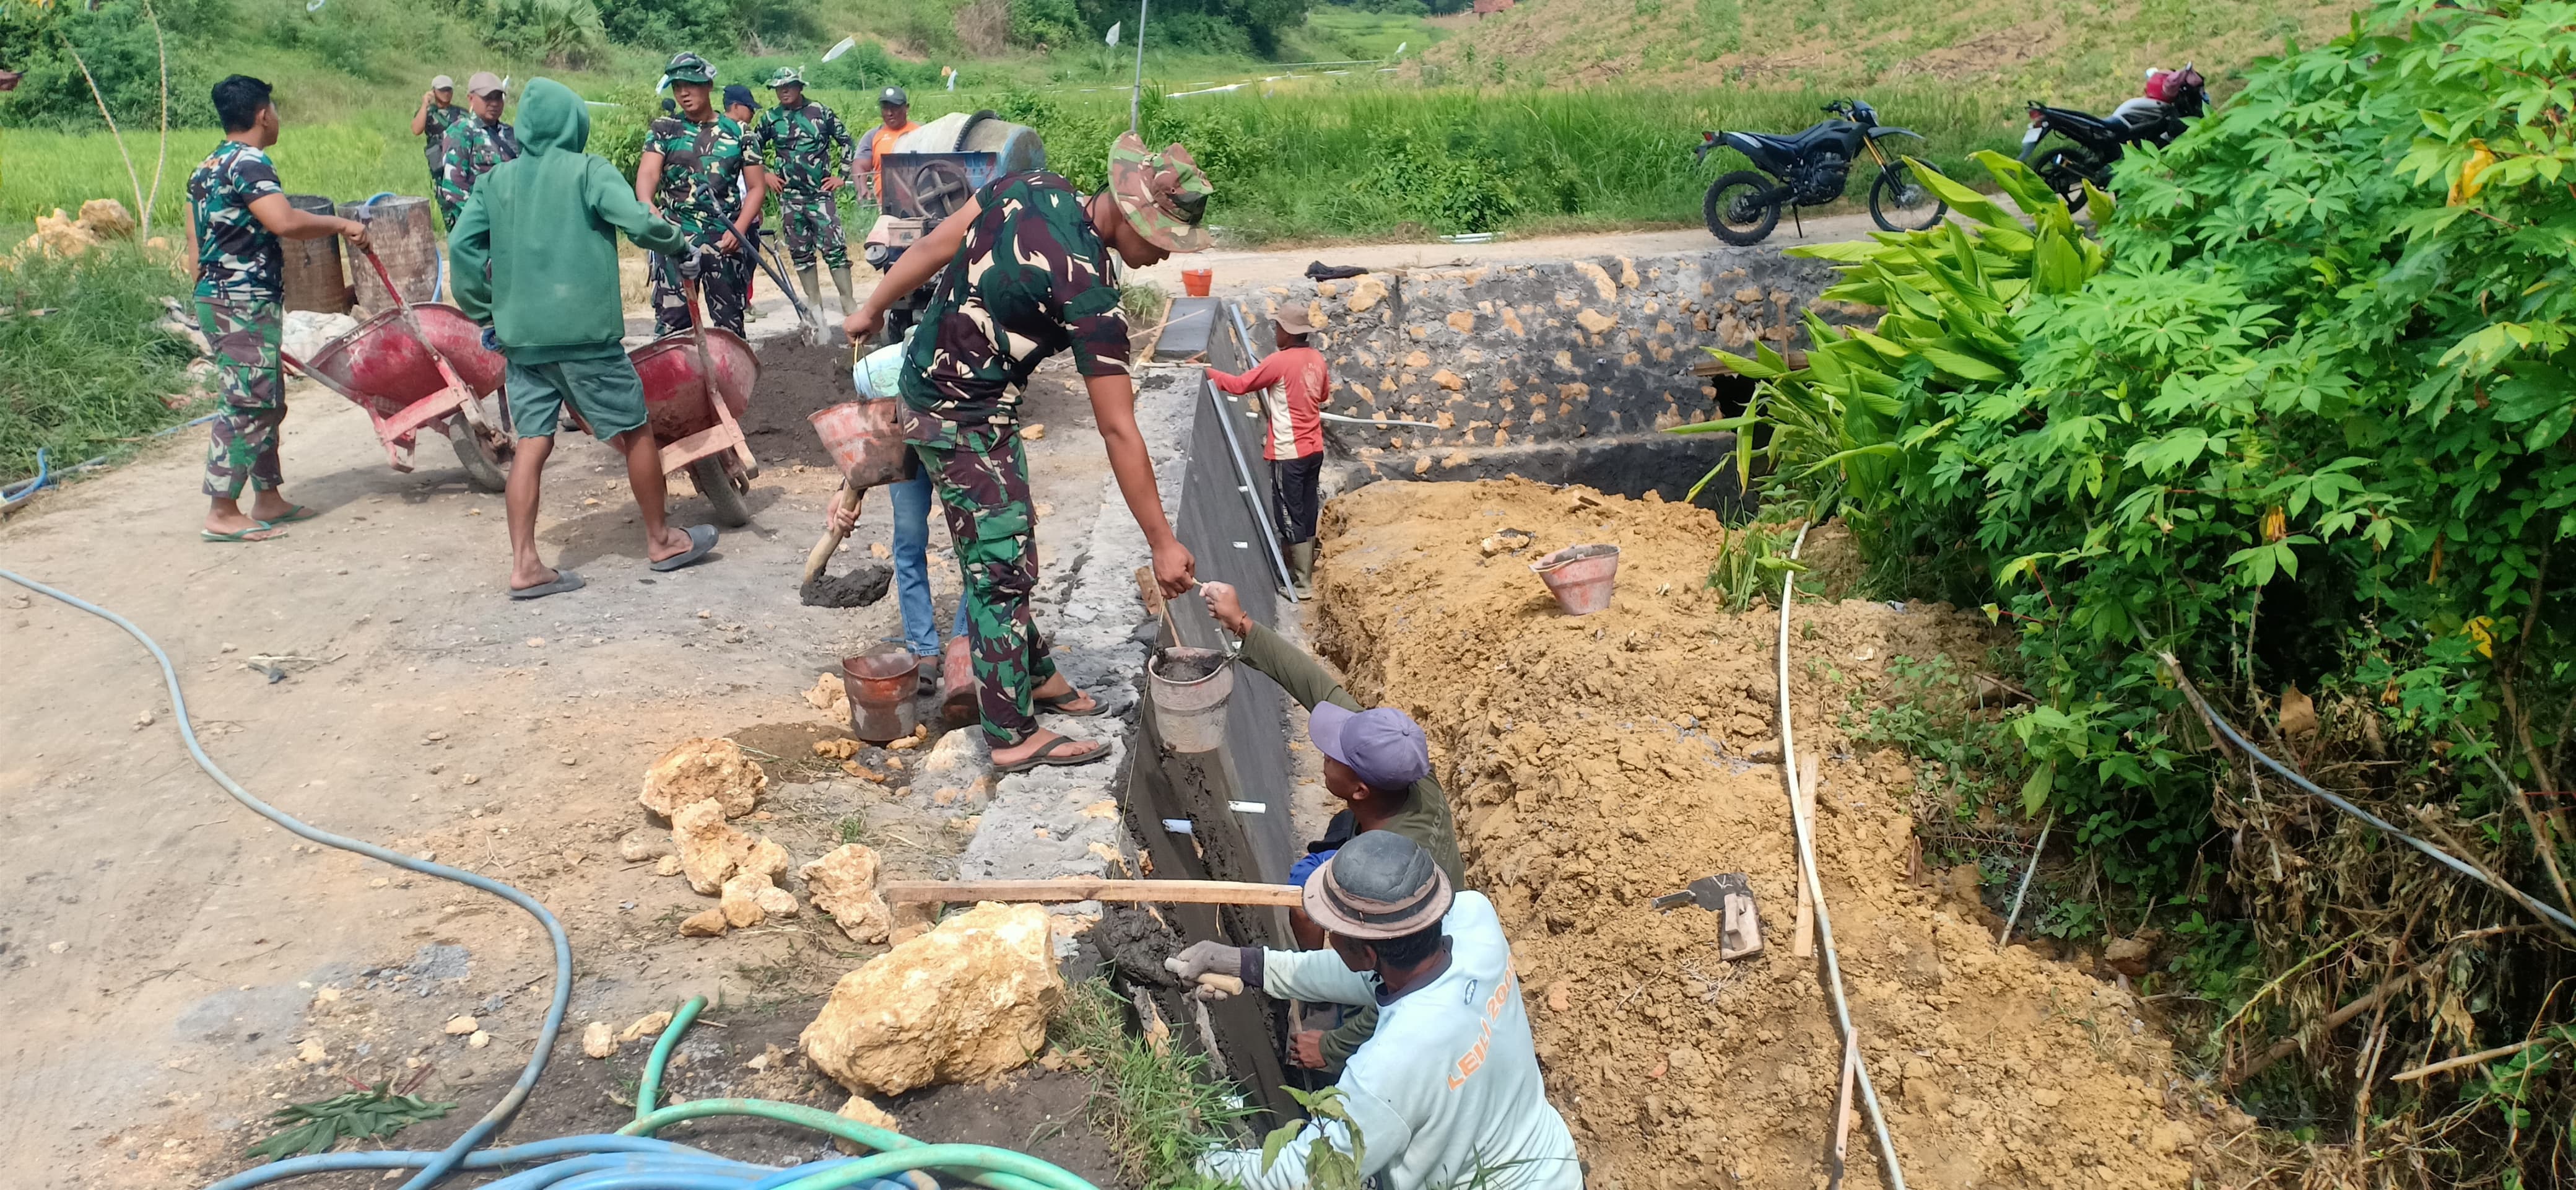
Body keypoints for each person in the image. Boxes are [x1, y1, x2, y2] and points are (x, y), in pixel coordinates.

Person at [838, 133, 1211, 774]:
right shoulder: (1091, 296)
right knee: (999, 571)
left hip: (938, 389)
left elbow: (933, 244)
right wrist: (1160, 542)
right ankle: (1009, 732)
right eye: (1161, 240)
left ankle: (1034, 672)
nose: (1162, 257)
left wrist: (873, 307)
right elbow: (1118, 430)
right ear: (1124, 211)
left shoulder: (1030, 188)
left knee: (1011, 543)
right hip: (961, 418)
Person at [1168, 831, 1582, 1190]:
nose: (1328, 935)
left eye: (1334, 929)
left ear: (1365, 951)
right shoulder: (1474, 919)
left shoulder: (1391, 1065)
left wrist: (1184, 1162)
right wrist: (1244, 962)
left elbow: (1306, 1175)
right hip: (1549, 1164)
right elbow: (1365, 974)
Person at [448, 77, 720, 598]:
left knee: (532, 442)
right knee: (636, 428)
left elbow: (461, 250)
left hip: (522, 341)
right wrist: (678, 243)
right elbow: (637, 220)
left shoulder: (496, 181)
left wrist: (487, 315)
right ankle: (662, 539)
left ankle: (525, 564)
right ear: (575, 123)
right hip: (587, 338)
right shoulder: (589, 170)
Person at [1199, 577, 1463, 1073]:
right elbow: (1318, 687)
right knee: (1306, 894)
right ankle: (1321, 971)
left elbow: (1405, 985)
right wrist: (1242, 623)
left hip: (1403, 948)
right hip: (1362, 856)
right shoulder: (1400, 764)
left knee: (1367, 999)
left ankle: (1338, 1014)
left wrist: (1335, 1045)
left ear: (1359, 790)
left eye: (1333, 754)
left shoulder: (1397, 877)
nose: (1325, 748)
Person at [187, 74, 373, 543]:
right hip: (242, 301)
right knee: (249, 402)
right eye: (276, 110)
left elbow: (195, 249)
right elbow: (284, 222)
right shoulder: (251, 163)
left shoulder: (204, 168)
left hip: (218, 297)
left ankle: (268, 496)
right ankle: (222, 510)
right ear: (262, 114)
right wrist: (341, 225)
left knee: (266, 398)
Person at [637, 52, 765, 337]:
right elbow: (648, 174)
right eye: (677, 86)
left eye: (691, 85)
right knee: (673, 328)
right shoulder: (664, 130)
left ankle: (730, 381)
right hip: (675, 240)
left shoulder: (740, 133)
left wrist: (740, 229)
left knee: (730, 327)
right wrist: (647, 204)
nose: (684, 93)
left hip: (725, 241)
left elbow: (757, 188)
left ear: (708, 85)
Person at [1205, 306, 1329, 595]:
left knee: (1288, 513)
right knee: (1307, 508)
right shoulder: (1317, 359)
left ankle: (1303, 582)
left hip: (1289, 451)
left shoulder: (1279, 362)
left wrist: (1206, 370)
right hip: (1314, 448)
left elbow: (1239, 386)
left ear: (1288, 332)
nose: (1276, 333)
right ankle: (1307, 564)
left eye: (1278, 328)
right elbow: (1323, 394)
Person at [824, 464, 955, 693]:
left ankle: (965, 647)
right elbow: (875, 433)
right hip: (907, 446)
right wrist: (850, 487)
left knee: (976, 546)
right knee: (908, 545)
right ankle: (923, 648)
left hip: (962, 445)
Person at [755, 67, 860, 322]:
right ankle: (815, 308)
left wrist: (842, 176)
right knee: (800, 253)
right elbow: (751, 148)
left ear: (800, 87)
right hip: (790, 198)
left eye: (789, 86)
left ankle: (849, 304)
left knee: (834, 249)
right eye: (779, 88)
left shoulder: (820, 113)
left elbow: (846, 141)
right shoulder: (770, 118)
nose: (784, 91)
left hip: (820, 196)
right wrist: (765, 174)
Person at [433, 72, 518, 227]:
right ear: (471, 99)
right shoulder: (462, 131)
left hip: (510, 222)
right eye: (488, 97)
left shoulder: (510, 133)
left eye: (498, 97)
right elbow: (455, 186)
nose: (494, 103)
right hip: (477, 224)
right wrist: (483, 221)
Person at [855, 85, 918, 203]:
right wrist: (862, 188)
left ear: (907, 108)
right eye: (885, 108)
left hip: (922, 202)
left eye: (894, 108)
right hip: (887, 205)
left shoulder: (921, 132)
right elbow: (860, 166)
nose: (890, 113)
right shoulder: (873, 136)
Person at [410, 75, 463, 204]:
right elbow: (416, 130)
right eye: (442, 90)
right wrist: (425, 105)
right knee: (443, 199)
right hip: (439, 164)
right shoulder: (428, 112)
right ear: (434, 91)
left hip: (458, 162)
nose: (446, 93)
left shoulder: (461, 113)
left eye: (449, 90)